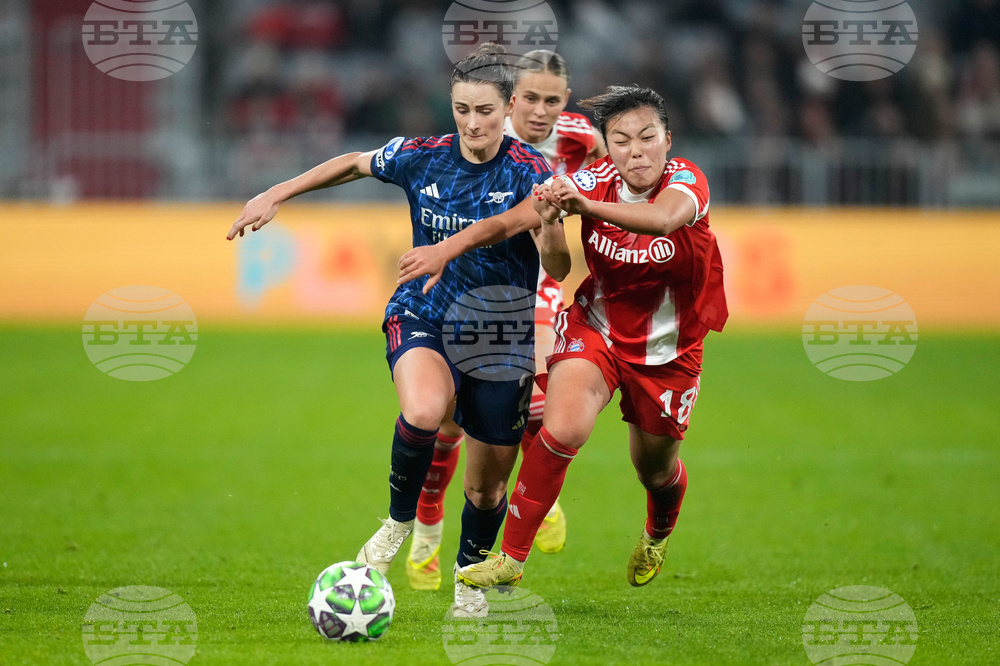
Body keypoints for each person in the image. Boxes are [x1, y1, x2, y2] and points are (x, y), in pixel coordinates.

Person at [227, 43, 570, 617]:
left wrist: (553, 227)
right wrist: (275, 193)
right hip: (425, 312)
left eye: (485, 111)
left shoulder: (532, 172)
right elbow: (354, 161)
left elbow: (554, 265)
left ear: (508, 108)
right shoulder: (424, 156)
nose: (472, 122)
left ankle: (468, 579)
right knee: (423, 412)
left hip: (500, 337)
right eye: (461, 109)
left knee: (486, 490)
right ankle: (397, 521)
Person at [397, 84, 727, 592]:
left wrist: (585, 207)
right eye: (621, 141)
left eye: (646, 137)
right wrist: (544, 219)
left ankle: (657, 532)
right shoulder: (589, 180)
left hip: (670, 352)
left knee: (654, 470)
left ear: (667, 139)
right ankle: (510, 557)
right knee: (561, 428)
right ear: (607, 146)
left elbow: (664, 221)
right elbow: (519, 221)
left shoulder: (686, 181)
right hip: (598, 330)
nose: (635, 151)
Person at [405, 49, 607, 591]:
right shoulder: (487, 132)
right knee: (445, 420)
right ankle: (427, 522)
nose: (540, 111)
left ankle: (535, 495)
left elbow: (613, 182)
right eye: (531, 99)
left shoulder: (581, 139)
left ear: (565, 101)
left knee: (534, 393)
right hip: (471, 279)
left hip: (533, 276)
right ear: (511, 99)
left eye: (552, 100)